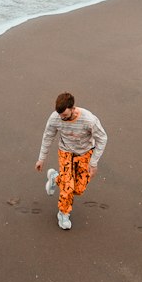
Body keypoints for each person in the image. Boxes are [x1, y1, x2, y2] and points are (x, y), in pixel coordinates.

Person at [35, 91, 107, 230]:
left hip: (85, 153)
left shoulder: (89, 120)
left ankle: (55, 178)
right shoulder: (55, 118)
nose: (62, 119)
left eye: (66, 116)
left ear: (73, 108)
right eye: (61, 116)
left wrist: (93, 162)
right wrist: (41, 159)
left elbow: (102, 139)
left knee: (78, 189)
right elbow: (48, 136)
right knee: (68, 188)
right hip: (65, 152)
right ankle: (63, 213)